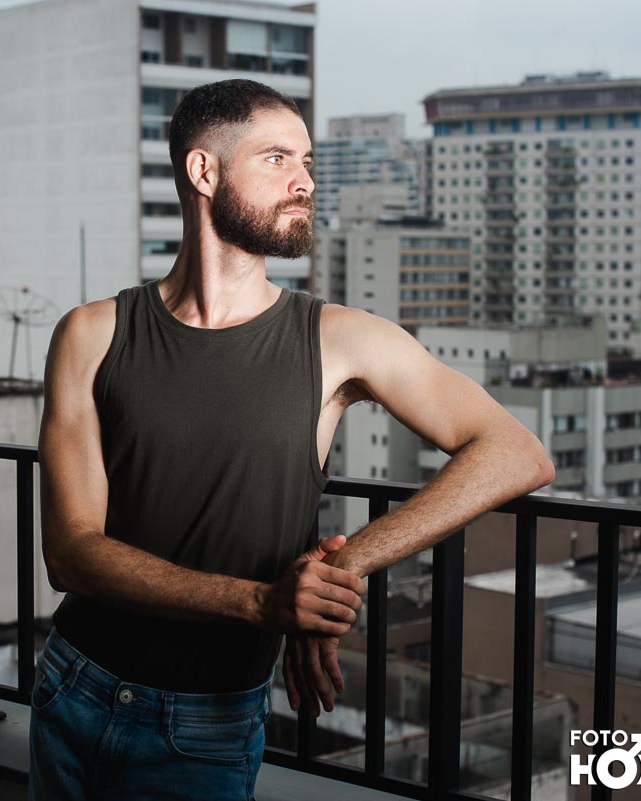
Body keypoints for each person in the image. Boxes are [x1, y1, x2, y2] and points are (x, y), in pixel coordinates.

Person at [32, 79, 555, 801]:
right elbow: (70, 553)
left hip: (207, 723)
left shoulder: (339, 339)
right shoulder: (92, 334)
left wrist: (337, 571)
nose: (305, 181)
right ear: (204, 171)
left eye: (307, 161)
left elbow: (516, 452)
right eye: (277, 158)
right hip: (72, 687)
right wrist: (263, 603)